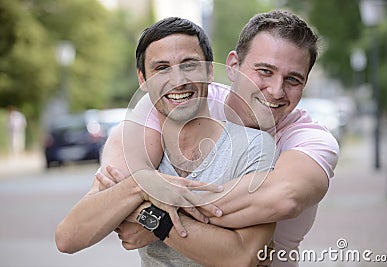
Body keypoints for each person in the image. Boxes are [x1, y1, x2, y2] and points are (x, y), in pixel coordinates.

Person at [99, 10, 340, 267]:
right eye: (265, 71)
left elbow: (284, 197)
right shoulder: (186, 96)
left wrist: (158, 220)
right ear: (234, 66)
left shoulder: (311, 139)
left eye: (293, 79)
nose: (277, 90)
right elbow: (115, 175)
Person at [56, 17, 276, 266]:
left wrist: (149, 217)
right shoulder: (141, 154)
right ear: (143, 80)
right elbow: (68, 238)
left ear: (210, 70)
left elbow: (241, 256)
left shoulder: (254, 146)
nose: (178, 80)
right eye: (161, 68)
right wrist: (143, 185)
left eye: (189, 64)